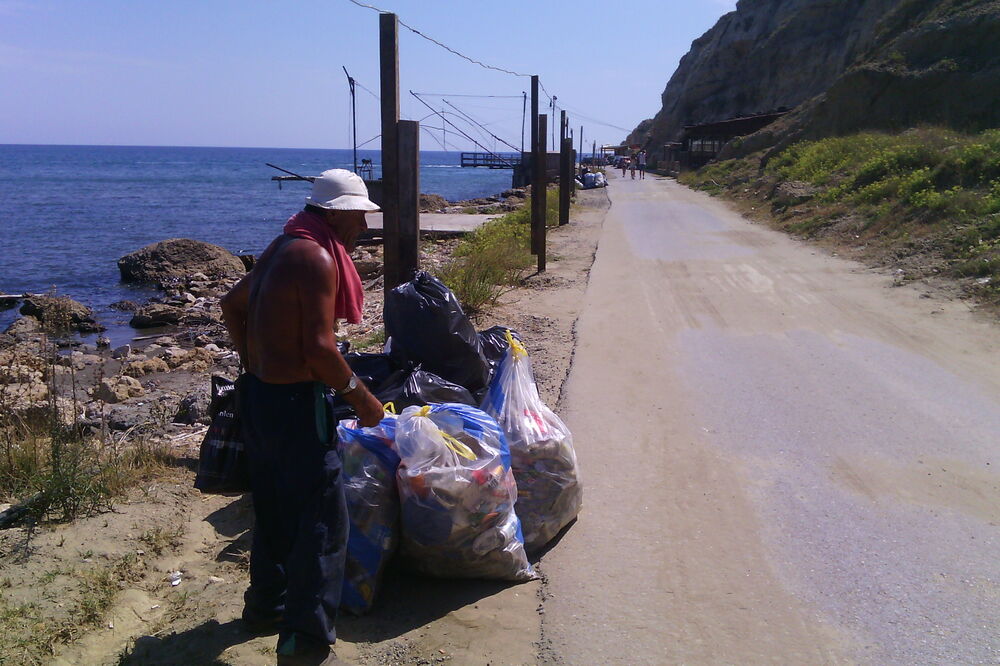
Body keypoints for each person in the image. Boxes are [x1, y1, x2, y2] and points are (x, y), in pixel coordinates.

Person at [221, 169, 385, 666]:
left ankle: (264, 609)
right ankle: (304, 644)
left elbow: (232, 305)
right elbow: (319, 349)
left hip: (259, 400)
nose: (364, 224)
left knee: (272, 511)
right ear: (337, 213)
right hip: (295, 406)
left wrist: (254, 365)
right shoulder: (316, 257)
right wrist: (363, 399)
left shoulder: (284, 246)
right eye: (360, 214)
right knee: (322, 526)